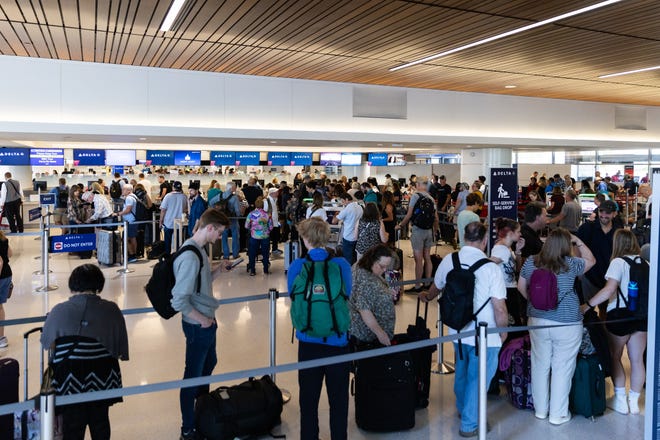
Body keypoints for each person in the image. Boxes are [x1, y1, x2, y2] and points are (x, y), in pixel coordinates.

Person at [419, 222, 508, 437]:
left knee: (462, 371)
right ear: (485, 240)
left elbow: (436, 286)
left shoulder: (451, 259)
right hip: (484, 333)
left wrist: (427, 296)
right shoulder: (490, 268)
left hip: (458, 328)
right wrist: (502, 332)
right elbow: (500, 308)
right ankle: (469, 423)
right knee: (478, 378)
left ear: (463, 237)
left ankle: (463, 409)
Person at [41, 264, 129, 439]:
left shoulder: (58, 311)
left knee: (72, 426)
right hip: (103, 378)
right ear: (99, 285)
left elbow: (47, 345)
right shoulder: (112, 309)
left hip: (70, 381)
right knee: (101, 422)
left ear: (73, 284)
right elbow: (120, 349)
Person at [517, 228, 595, 426]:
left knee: (540, 364)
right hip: (567, 322)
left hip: (537, 320)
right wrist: (577, 240)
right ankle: (558, 414)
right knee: (562, 367)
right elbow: (592, 260)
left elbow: (520, 286)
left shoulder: (532, 261)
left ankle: (541, 410)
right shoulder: (571, 264)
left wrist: (534, 303)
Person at [287, 217, 353, 440]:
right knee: (338, 400)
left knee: (308, 400)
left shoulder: (297, 266)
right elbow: (348, 294)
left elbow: (292, 296)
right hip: (338, 342)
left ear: (305, 239)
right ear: (327, 238)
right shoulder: (342, 265)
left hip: (308, 342)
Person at [171, 208, 230, 440]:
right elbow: (178, 299)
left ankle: (201, 411)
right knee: (193, 375)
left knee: (208, 364)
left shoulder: (200, 251)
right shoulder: (190, 255)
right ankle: (188, 428)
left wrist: (218, 271)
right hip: (198, 325)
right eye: (220, 232)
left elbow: (199, 283)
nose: (220, 237)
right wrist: (203, 320)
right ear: (210, 228)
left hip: (206, 320)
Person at [580, 229, 646, 415]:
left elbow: (609, 290)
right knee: (637, 359)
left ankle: (620, 400)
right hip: (641, 316)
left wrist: (588, 305)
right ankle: (634, 402)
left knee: (615, 356)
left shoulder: (618, 262)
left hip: (619, 316)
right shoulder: (646, 263)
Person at [395, 176, 438, 292]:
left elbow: (409, 215)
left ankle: (418, 286)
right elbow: (436, 218)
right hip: (429, 231)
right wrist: (436, 230)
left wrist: (401, 225)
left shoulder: (415, 196)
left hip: (418, 230)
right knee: (427, 257)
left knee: (418, 259)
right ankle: (427, 284)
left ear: (418, 185)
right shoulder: (431, 198)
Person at [577, 200, 622, 308]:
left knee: (606, 310)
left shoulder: (618, 231)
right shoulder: (586, 228)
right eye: (602, 211)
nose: (604, 215)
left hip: (610, 278)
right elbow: (577, 248)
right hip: (589, 276)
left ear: (614, 214)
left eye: (608, 213)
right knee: (586, 309)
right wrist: (579, 270)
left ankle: (603, 325)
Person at [350, 244, 397, 346]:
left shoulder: (362, 266)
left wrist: (385, 292)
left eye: (386, 266)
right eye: (382, 266)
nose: (384, 270)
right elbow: (364, 310)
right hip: (368, 334)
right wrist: (380, 333)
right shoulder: (365, 280)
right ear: (372, 260)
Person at [491, 217, 526, 326]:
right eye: (518, 231)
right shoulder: (501, 249)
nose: (520, 234)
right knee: (513, 322)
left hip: (510, 288)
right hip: (506, 290)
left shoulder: (507, 248)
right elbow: (488, 263)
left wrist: (518, 251)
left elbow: (517, 269)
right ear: (510, 233)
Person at [332, 192, 363, 265]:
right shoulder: (360, 207)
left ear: (346, 199)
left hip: (348, 236)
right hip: (357, 236)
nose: (343, 203)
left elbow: (334, 221)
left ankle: (348, 273)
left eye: (343, 201)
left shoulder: (347, 209)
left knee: (347, 258)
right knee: (355, 258)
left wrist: (336, 214)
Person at [245, 196, 273, 276]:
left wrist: (252, 229)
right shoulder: (267, 215)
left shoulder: (251, 214)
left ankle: (253, 270)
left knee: (252, 253)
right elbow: (271, 226)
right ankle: (266, 270)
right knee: (265, 253)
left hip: (254, 236)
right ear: (263, 205)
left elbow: (246, 226)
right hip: (265, 236)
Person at [159, 181, 189, 255]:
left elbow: (163, 210)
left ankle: (167, 258)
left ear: (173, 187)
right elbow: (186, 209)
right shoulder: (184, 197)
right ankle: (177, 257)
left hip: (168, 222)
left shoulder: (168, 196)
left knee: (167, 242)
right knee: (179, 242)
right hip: (179, 223)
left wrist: (161, 221)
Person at [114, 184, 139, 262]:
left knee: (126, 238)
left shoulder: (129, 198)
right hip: (133, 220)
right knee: (132, 238)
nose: (122, 191)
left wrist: (118, 214)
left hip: (130, 221)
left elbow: (128, 210)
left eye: (124, 189)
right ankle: (134, 254)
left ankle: (132, 255)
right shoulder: (133, 196)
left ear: (129, 190)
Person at [219, 181, 242, 260]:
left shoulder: (220, 195)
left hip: (223, 219)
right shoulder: (234, 197)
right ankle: (235, 254)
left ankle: (226, 255)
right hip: (233, 219)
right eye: (235, 186)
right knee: (235, 236)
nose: (236, 188)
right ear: (232, 188)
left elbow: (211, 203)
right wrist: (239, 216)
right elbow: (237, 210)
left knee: (224, 236)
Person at [0, 230, 11, 348]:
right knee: (0, 307)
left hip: (1, 276)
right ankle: (1, 337)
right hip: (7, 275)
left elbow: (0, 262)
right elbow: (10, 254)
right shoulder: (3, 237)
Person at [264, 187, 282, 255]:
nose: (278, 193)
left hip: (275, 222)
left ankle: (274, 249)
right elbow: (265, 211)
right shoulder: (267, 201)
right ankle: (267, 250)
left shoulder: (275, 200)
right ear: (272, 193)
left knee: (275, 237)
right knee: (268, 237)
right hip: (269, 222)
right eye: (276, 192)